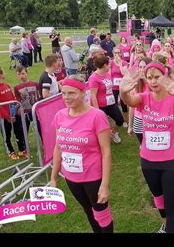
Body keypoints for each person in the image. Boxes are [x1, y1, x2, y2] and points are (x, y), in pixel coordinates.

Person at [120, 62, 174, 233]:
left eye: (157, 77)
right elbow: (129, 100)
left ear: (164, 76)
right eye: (149, 77)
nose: (153, 81)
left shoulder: (173, 98)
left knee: (170, 204)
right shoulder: (144, 98)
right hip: (148, 160)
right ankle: (165, 223)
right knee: (158, 197)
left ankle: (170, 227)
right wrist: (123, 91)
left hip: (171, 161)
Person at [50, 74, 113, 233]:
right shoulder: (60, 116)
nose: (66, 97)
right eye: (63, 93)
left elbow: (106, 152)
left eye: (71, 93)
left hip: (93, 177)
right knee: (88, 211)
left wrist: (104, 184)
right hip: (72, 178)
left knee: (101, 214)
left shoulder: (97, 116)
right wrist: (54, 177)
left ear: (83, 93)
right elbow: (58, 147)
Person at [0, 66, 27, 160]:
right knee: (6, 135)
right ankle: (10, 151)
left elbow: (12, 98)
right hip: (3, 117)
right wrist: (8, 117)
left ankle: (21, 150)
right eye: (3, 72)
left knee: (18, 132)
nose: (5, 73)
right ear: (0, 74)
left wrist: (17, 105)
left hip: (14, 114)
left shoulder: (6, 85)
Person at [88, 55, 124, 144]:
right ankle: (99, 142)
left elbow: (109, 88)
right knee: (101, 126)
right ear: (104, 65)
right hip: (101, 106)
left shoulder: (107, 74)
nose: (110, 66)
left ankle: (113, 132)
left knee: (120, 120)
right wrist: (97, 111)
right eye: (109, 65)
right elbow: (93, 95)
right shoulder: (93, 78)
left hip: (111, 103)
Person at [14, 65, 40, 137]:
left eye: (23, 73)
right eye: (19, 74)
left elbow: (40, 93)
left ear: (27, 73)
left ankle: (45, 143)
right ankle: (25, 146)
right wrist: (18, 108)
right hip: (25, 112)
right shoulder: (17, 87)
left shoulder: (35, 84)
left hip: (35, 110)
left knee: (40, 127)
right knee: (24, 130)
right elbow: (18, 99)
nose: (21, 76)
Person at [110, 47, 129, 127]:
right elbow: (108, 74)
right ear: (113, 54)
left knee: (123, 104)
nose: (117, 54)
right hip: (114, 87)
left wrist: (120, 64)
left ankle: (126, 120)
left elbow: (124, 73)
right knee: (114, 104)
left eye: (118, 53)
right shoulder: (110, 63)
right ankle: (117, 119)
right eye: (115, 53)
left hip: (122, 87)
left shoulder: (124, 63)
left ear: (121, 54)